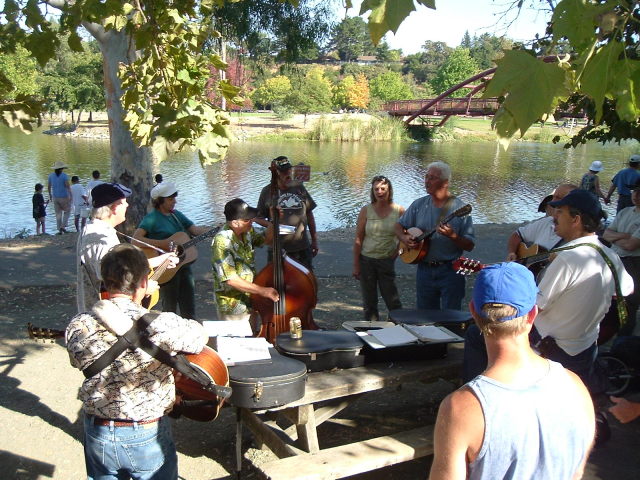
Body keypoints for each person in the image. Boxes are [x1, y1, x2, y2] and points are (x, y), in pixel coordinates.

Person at [429, 262, 595, 480]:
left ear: (473, 311)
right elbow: (577, 470)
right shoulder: (575, 386)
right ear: (532, 313)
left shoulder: (461, 407)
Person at [66, 243, 208, 480]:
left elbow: (77, 362)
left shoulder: (78, 324)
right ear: (143, 282)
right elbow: (198, 337)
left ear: (106, 281)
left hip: (98, 430)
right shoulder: (161, 324)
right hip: (145, 431)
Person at [77, 183, 176, 313]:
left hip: (98, 312)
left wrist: (161, 260)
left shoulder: (93, 228)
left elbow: (119, 266)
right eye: (124, 202)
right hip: (104, 315)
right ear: (114, 208)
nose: (127, 205)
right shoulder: (100, 238)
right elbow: (110, 276)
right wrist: (143, 289)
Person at [394, 161, 475, 310]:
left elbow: (470, 245)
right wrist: (404, 237)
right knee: (424, 318)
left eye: (432, 178)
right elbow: (398, 226)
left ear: (445, 183)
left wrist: (453, 236)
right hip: (424, 270)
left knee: (451, 318)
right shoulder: (419, 205)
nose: (427, 181)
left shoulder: (459, 208)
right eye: (426, 176)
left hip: (451, 271)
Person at [133, 182, 210, 320]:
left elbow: (195, 230)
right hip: (166, 269)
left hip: (184, 267)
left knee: (189, 310)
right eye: (170, 199)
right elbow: (136, 240)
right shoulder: (152, 219)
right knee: (170, 311)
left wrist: (214, 231)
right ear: (160, 201)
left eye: (174, 198)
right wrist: (163, 244)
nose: (175, 201)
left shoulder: (176, 215)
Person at [211, 198, 279, 322]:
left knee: (252, 334)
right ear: (235, 223)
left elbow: (267, 240)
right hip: (233, 304)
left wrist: (274, 220)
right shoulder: (222, 242)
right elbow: (231, 280)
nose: (251, 222)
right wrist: (262, 291)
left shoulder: (247, 231)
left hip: (251, 298)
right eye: (247, 220)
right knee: (236, 339)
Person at [352, 175, 405, 321]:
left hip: (386, 261)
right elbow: (358, 238)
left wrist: (397, 253)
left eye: (383, 189)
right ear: (372, 191)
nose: (379, 192)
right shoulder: (366, 210)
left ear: (389, 190)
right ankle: (372, 332)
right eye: (376, 189)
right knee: (369, 302)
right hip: (366, 260)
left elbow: (406, 238)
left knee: (392, 300)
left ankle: (399, 329)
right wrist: (356, 264)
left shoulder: (399, 211)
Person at [256, 156, 318, 270]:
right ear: (276, 172)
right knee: (277, 285)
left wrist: (314, 240)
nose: (288, 173)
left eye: (289, 169)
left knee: (305, 282)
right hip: (277, 248)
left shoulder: (299, 187)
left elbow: (309, 214)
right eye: (284, 171)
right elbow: (257, 217)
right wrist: (273, 225)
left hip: (302, 247)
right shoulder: (267, 192)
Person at [603, 178, 640, 336]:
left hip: (634, 263)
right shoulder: (625, 212)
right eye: (634, 191)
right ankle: (606, 334)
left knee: (629, 303)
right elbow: (605, 234)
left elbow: (632, 245)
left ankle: (622, 342)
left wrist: (617, 237)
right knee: (607, 297)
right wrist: (624, 236)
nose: (636, 195)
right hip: (615, 259)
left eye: (639, 192)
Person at [505, 183, 577, 262]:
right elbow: (517, 234)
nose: (552, 202)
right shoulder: (547, 222)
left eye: (560, 210)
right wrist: (512, 253)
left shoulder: (574, 242)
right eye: (553, 205)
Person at [47, 161, 72, 234]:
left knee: (58, 213)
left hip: (55, 197)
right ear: (61, 169)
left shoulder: (51, 176)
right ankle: (63, 226)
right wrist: (71, 195)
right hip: (64, 196)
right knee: (67, 211)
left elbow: (49, 186)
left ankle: (59, 229)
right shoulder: (64, 176)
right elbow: (67, 186)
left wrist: (50, 195)